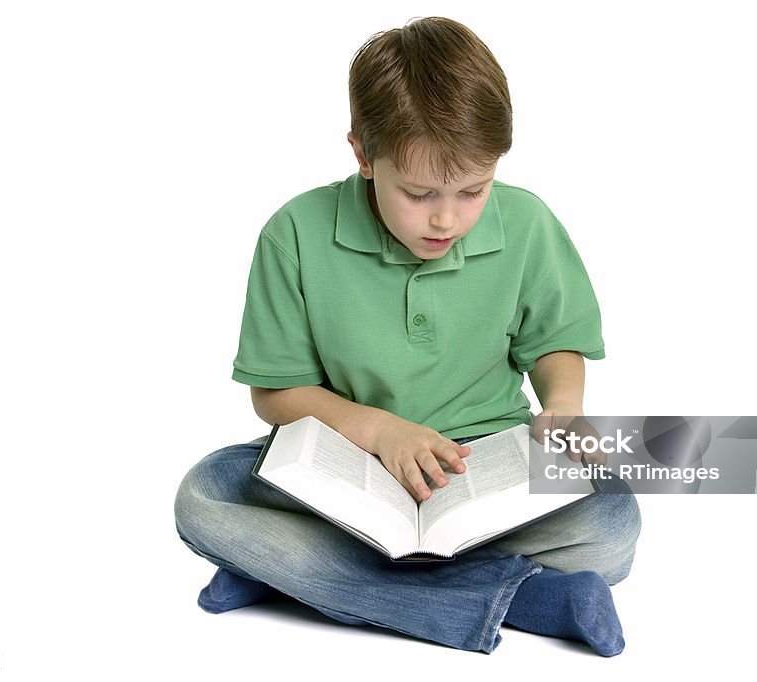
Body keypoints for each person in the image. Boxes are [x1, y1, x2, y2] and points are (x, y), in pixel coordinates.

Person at [174, 16, 641, 656]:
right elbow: (276, 394)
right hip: (345, 466)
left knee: (613, 520)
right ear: (364, 156)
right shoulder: (294, 233)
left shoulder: (528, 223)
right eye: (418, 193)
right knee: (206, 495)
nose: (447, 218)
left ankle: (299, 577)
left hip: (486, 468)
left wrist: (563, 408)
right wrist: (381, 432)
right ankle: (528, 597)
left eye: (474, 190)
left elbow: (555, 342)